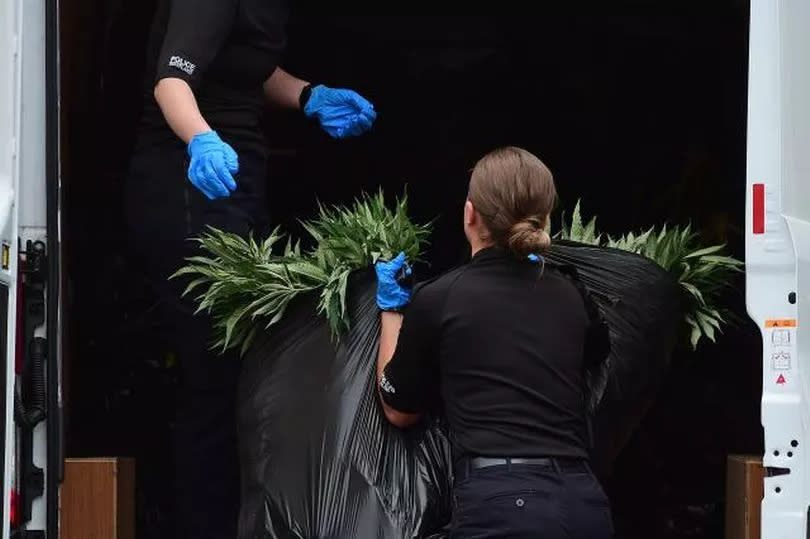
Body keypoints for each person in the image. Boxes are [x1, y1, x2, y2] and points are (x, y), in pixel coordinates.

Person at [122, 2, 376, 537]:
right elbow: (173, 79)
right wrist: (200, 139)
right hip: (189, 186)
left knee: (238, 375)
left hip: (234, 183)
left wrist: (308, 96)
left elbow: (246, 69)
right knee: (212, 379)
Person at [374, 147, 615, 538]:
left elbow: (399, 408)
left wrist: (391, 310)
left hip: (502, 507)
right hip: (583, 503)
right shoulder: (572, 294)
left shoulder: (441, 298)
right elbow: (597, 357)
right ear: (545, 217)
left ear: (470, 214)